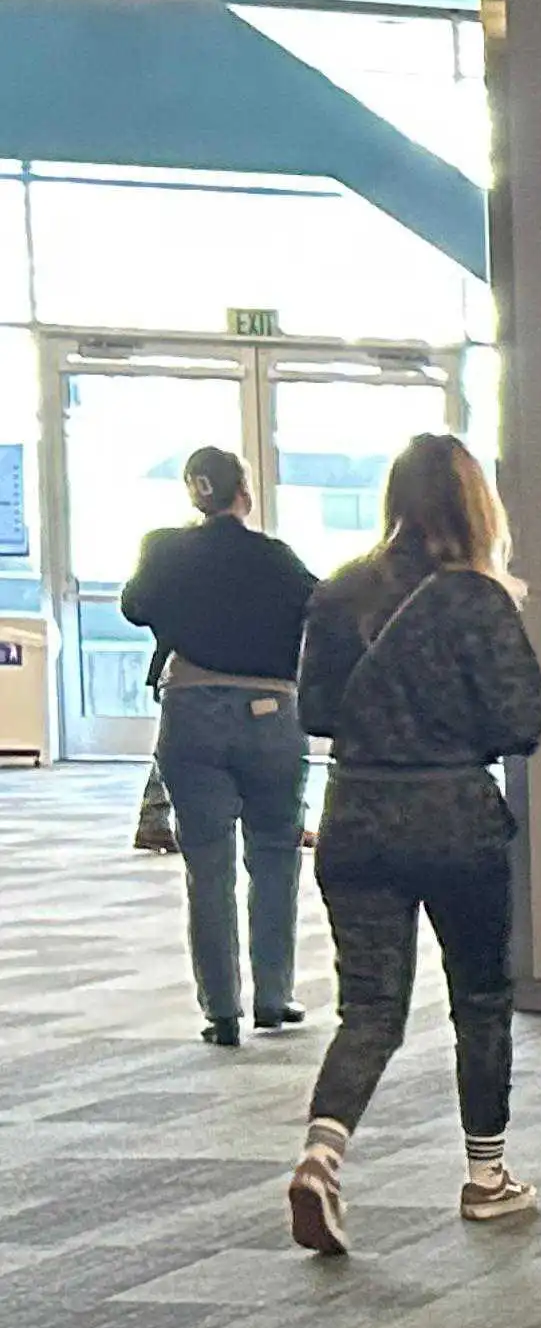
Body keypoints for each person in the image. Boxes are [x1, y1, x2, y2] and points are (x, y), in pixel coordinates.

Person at [284, 434, 541, 1255]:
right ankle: (486, 1177)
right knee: (480, 999)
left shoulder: (339, 590)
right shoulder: (477, 599)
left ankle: (323, 1155)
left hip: (357, 817)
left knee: (369, 1007)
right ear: (476, 504)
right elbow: (522, 722)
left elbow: (316, 713)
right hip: (454, 818)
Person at [120, 447, 316, 1047]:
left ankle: (222, 1011)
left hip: (192, 709)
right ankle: (274, 997)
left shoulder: (165, 549)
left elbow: (134, 607)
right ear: (245, 493)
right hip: (273, 712)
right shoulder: (277, 559)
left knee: (207, 864)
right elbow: (319, 610)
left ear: (194, 494)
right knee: (277, 854)